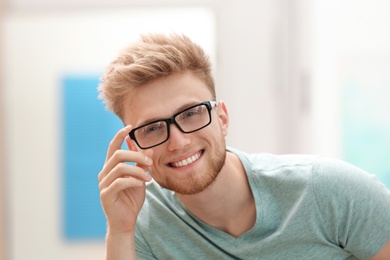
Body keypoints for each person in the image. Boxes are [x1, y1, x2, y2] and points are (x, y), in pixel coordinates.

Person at [97, 33, 390, 259]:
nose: (179, 141)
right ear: (133, 146)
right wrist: (121, 231)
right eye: (152, 128)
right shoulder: (142, 225)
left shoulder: (328, 191)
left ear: (222, 118)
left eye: (191, 113)